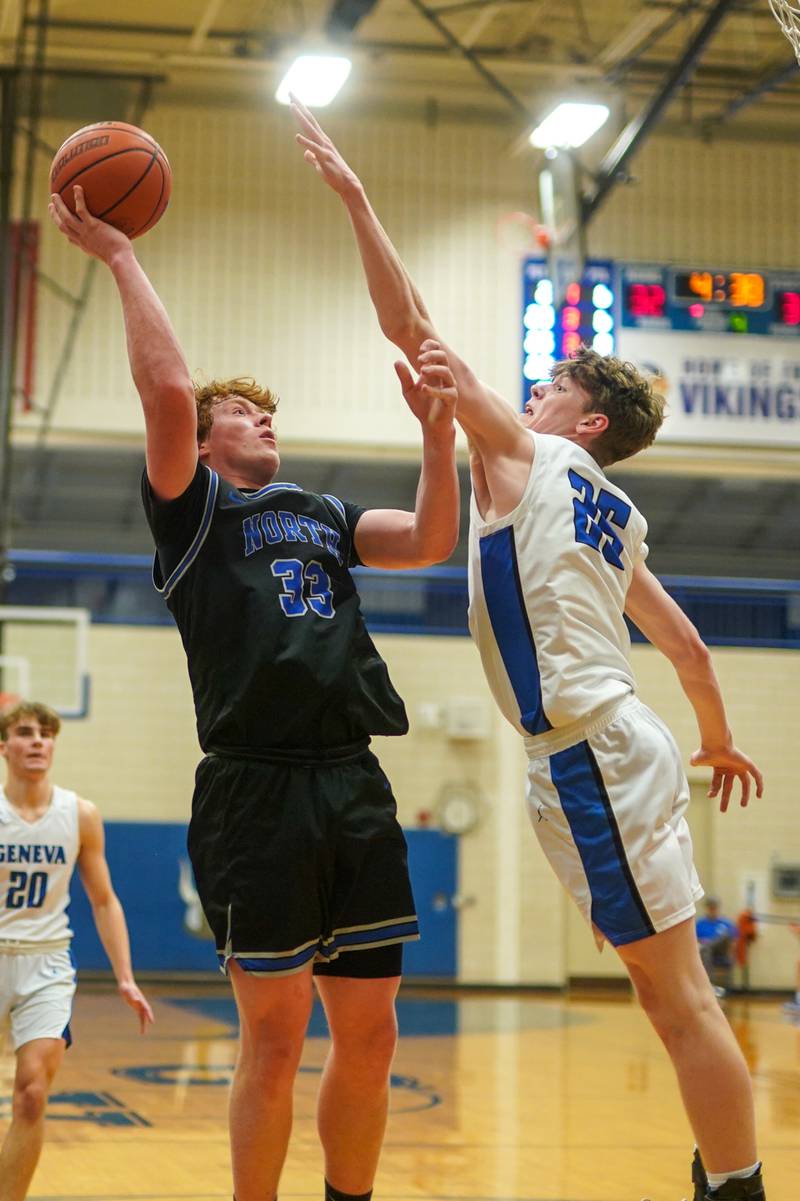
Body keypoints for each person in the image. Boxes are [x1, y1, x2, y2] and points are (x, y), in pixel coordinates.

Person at [290, 99, 767, 1201]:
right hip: (621, 740)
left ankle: (734, 1182)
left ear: (583, 421)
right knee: (674, 988)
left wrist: (357, 199)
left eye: (550, 388)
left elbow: (407, 325)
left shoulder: (533, 462)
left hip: (590, 752)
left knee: (676, 998)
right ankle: (724, 1166)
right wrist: (719, 740)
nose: (531, 393)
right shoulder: (614, 513)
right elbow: (687, 644)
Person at [48, 186, 459, 1201]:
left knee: (371, 1030)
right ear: (205, 437)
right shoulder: (194, 516)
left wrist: (437, 435)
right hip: (254, 791)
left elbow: (428, 539)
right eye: (241, 410)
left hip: (350, 782)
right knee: (272, 1039)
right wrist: (117, 256)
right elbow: (167, 389)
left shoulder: (318, 510)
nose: (261, 416)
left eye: (268, 410)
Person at [0, 700, 153, 1201]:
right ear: (5, 747)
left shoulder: (79, 814)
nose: (39, 741)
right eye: (25, 732)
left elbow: (104, 900)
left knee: (31, 1094)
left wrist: (125, 976)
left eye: (47, 733)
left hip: (46, 962)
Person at [696, 897, 738, 996]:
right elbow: (695, 941)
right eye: (710, 908)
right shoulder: (699, 924)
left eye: (714, 907)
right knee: (706, 949)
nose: (712, 910)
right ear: (707, 908)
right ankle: (709, 984)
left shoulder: (726, 923)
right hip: (705, 952)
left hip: (722, 950)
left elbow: (733, 941)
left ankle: (709, 985)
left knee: (725, 935)